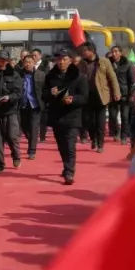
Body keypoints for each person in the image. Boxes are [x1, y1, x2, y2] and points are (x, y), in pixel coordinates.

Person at [44, 49, 89, 185]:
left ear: (70, 60)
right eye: (59, 59)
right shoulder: (50, 76)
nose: (61, 62)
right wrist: (50, 93)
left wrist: (73, 99)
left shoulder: (79, 77)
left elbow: (84, 97)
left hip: (72, 116)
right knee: (61, 145)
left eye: (64, 59)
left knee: (70, 145)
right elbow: (43, 95)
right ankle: (66, 165)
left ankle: (69, 172)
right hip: (57, 116)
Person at [78, 41, 121, 153]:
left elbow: (112, 78)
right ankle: (94, 139)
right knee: (89, 121)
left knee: (100, 122)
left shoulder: (104, 61)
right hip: (87, 96)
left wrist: (116, 92)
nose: (83, 53)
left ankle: (100, 144)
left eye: (85, 50)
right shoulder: (81, 63)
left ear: (92, 51)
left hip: (101, 96)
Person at [0, 52, 23, 173]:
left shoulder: (14, 74)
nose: (0, 62)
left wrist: (9, 97)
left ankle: (16, 156)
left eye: (3, 60)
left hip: (10, 110)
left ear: (7, 61)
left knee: (12, 136)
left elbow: (18, 93)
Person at [18, 54, 45, 159]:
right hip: (23, 105)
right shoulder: (19, 75)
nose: (28, 64)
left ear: (34, 63)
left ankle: (32, 151)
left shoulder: (40, 75)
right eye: (26, 62)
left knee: (34, 128)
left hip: (35, 105)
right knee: (24, 127)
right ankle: (31, 141)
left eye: (30, 62)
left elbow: (44, 89)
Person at [109, 45, 135, 142]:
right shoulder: (108, 63)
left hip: (125, 94)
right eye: (112, 52)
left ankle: (124, 136)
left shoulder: (127, 64)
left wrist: (131, 94)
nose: (114, 54)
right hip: (112, 93)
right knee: (112, 116)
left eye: (116, 51)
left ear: (120, 53)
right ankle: (116, 132)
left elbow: (131, 81)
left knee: (124, 116)